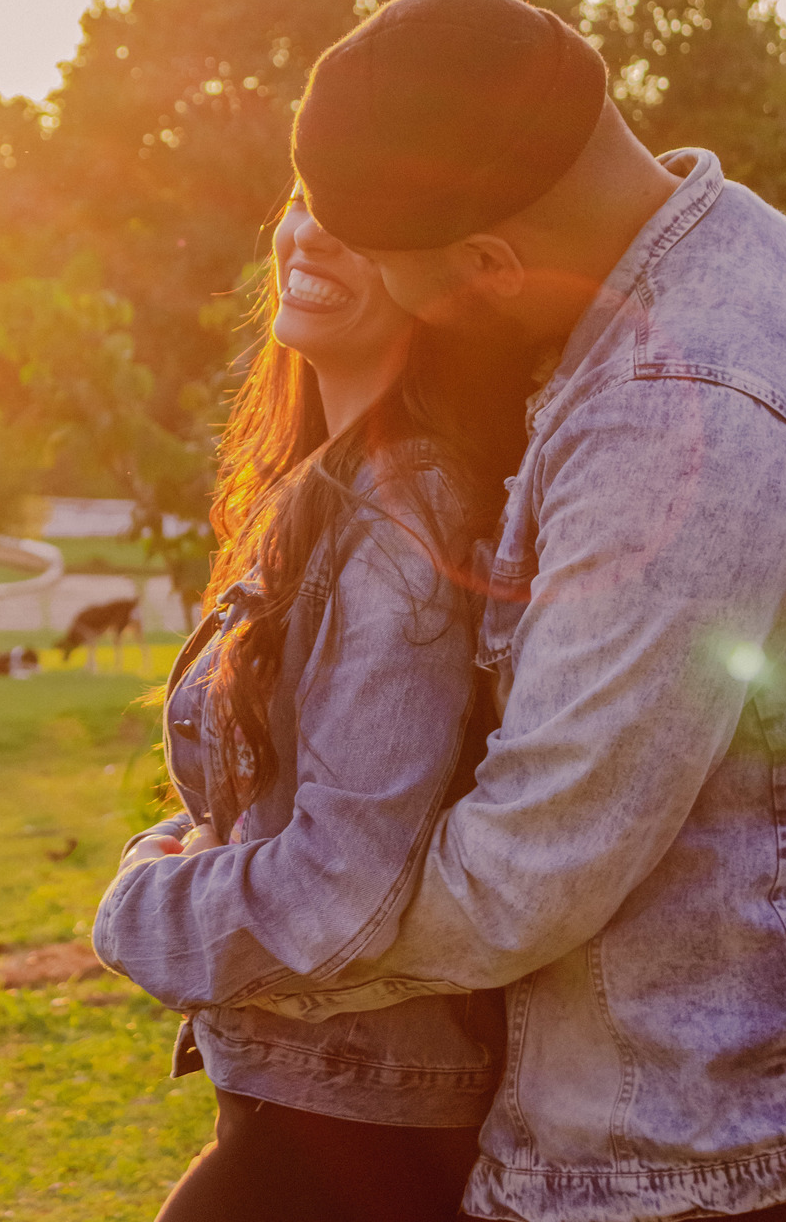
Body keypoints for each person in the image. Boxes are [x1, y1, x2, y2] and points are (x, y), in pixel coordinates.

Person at [250, 0, 786, 1220]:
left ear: (488, 262)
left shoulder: (679, 419)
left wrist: (210, 924)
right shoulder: (740, 253)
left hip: (688, 1171)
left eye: (402, 279)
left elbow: (528, 876)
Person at [93, 184, 530, 1221]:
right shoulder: (323, 494)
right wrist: (175, 841)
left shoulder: (400, 520)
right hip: (313, 1105)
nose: (315, 230)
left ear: (444, 281)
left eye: (370, 213)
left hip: (352, 1138)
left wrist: (135, 908)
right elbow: (291, 795)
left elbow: (343, 881)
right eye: (305, 196)